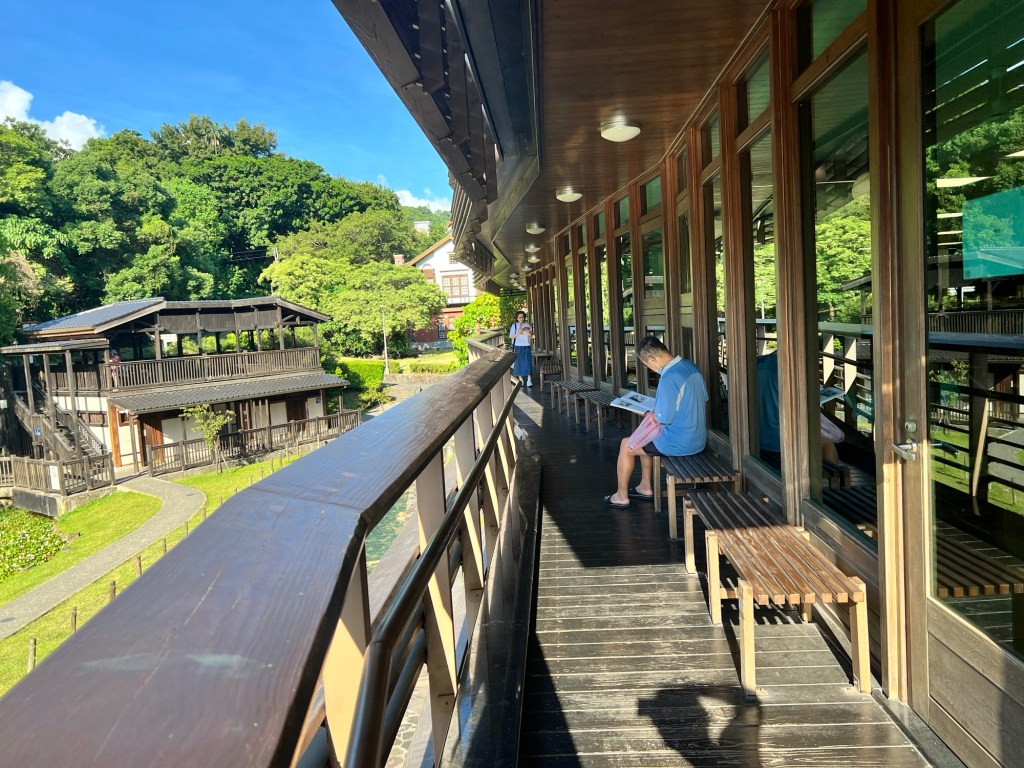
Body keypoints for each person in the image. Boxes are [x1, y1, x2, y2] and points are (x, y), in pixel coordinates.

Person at [605, 336, 708, 507]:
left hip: (679, 442)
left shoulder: (668, 377)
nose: (649, 368)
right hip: (698, 439)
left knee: (626, 445)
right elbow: (700, 400)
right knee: (646, 439)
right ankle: (645, 486)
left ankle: (621, 495)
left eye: (647, 364)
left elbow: (663, 418)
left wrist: (648, 413)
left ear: (653, 358)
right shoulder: (691, 367)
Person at [509, 310, 533, 387]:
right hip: (518, 346)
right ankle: (521, 380)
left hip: (526, 345)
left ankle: (529, 380)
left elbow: (531, 336)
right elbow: (511, 336)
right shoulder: (514, 326)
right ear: (517, 318)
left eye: (522, 317)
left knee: (528, 362)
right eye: (519, 317)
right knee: (518, 363)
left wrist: (527, 331)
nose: (521, 319)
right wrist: (519, 332)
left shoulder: (527, 325)